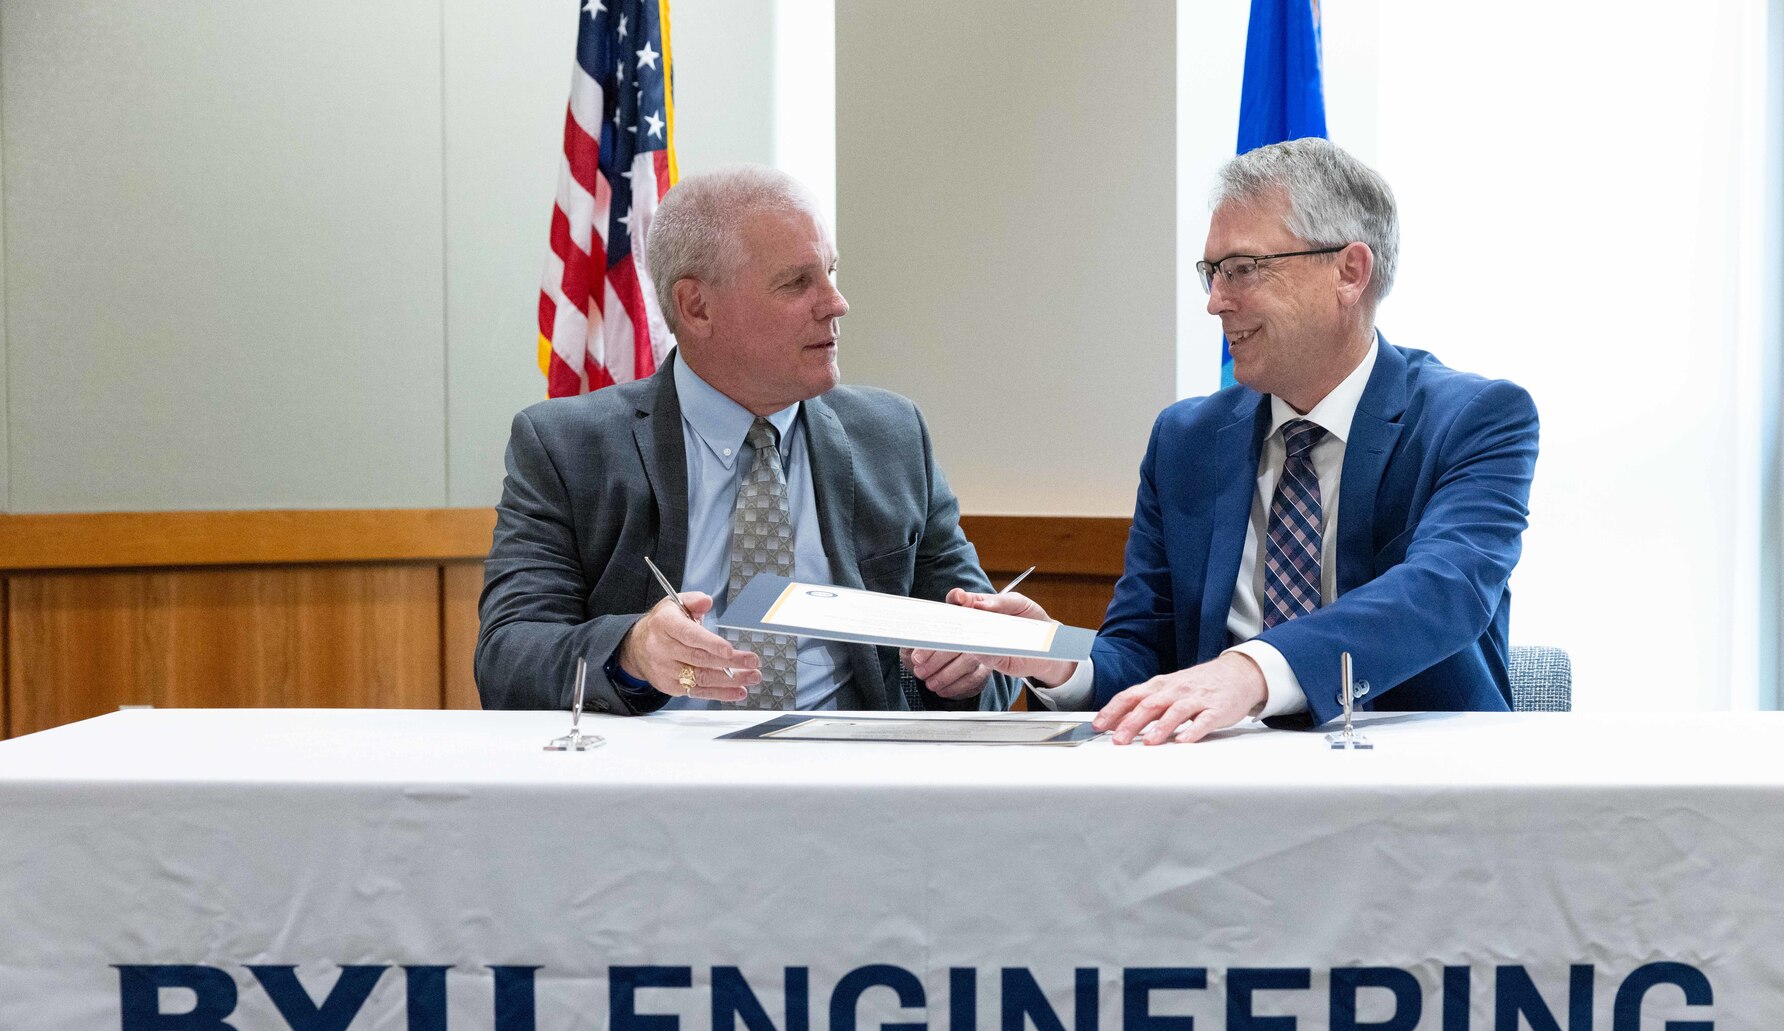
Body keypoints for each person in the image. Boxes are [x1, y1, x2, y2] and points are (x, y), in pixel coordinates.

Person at [923, 137, 1538, 743]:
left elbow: (1443, 592)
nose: (1216, 302)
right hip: (1214, 793)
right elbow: (1143, 653)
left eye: (1243, 269)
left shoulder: (1476, 419)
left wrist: (1249, 671)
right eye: (1211, 273)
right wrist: (1054, 658)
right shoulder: (1186, 439)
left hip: (1420, 786)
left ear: (1349, 272)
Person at [477, 165, 1012, 714]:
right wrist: (631, 651)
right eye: (797, 282)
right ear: (697, 307)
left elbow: (987, 652)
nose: (836, 302)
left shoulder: (892, 436)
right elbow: (508, 656)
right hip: (656, 781)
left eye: (830, 272)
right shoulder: (568, 447)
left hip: (853, 775)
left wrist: (970, 666)